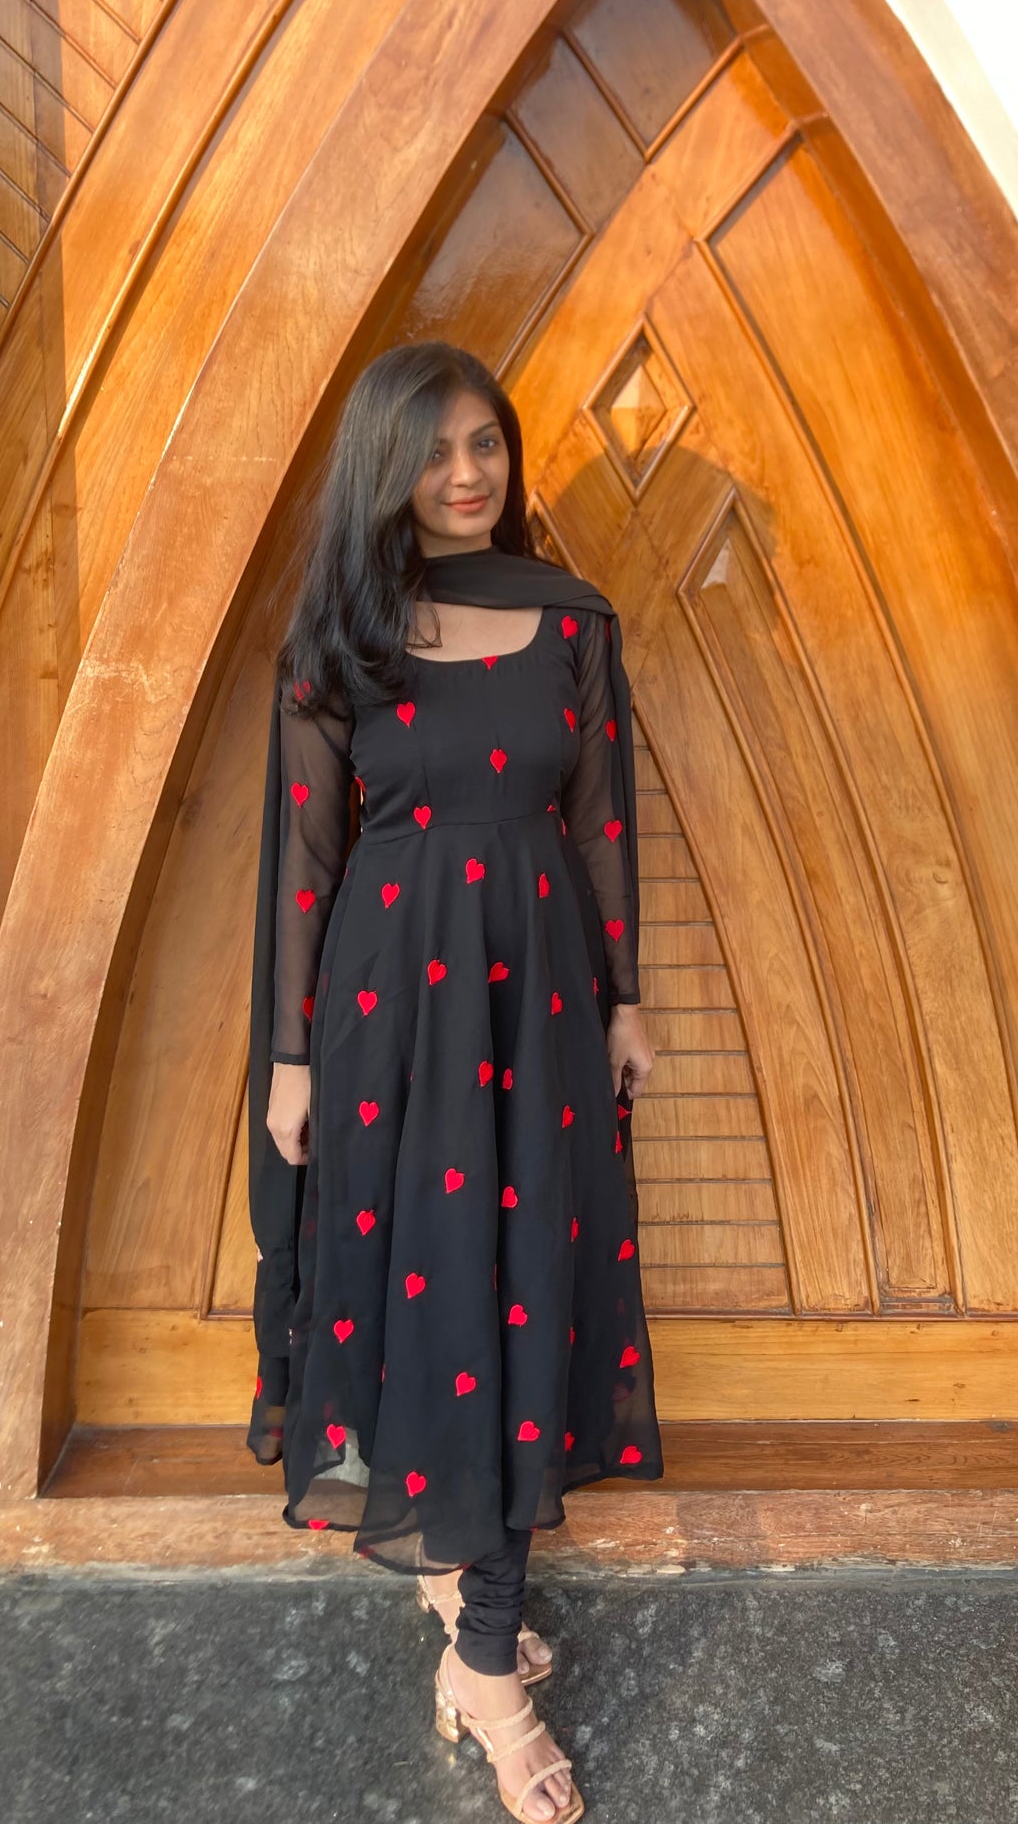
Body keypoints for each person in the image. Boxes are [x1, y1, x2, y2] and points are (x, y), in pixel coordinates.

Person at [244, 340, 662, 1822]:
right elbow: (305, 860)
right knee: (426, 1285)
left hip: (539, 1003)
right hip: (389, 1019)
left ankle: (476, 1636)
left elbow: (601, 815)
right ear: (387, 468)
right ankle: (482, 1644)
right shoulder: (338, 639)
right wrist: (292, 1057)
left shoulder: (572, 621)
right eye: (433, 451)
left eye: (486, 443)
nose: (467, 473)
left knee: (525, 1287)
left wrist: (626, 1000)